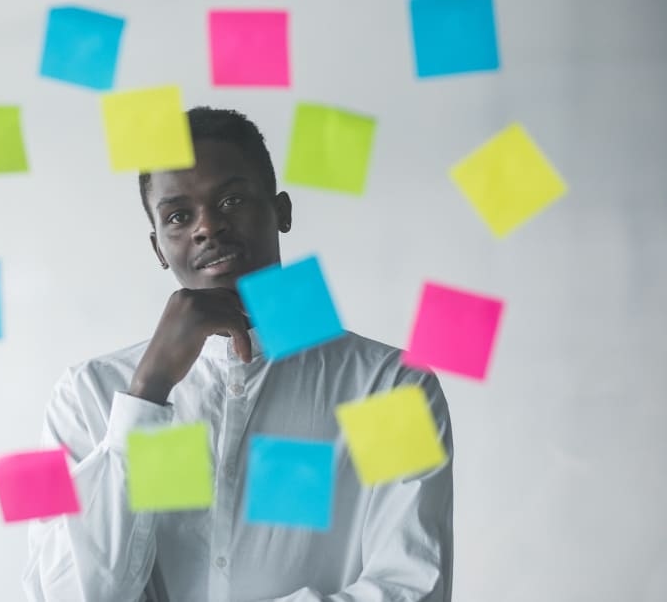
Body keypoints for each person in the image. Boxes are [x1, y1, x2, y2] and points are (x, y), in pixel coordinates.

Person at [23, 107, 453, 601]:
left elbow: (413, 587)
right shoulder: (85, 396)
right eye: (178, 216)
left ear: (282, 211)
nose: (208, 227)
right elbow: (71, 595)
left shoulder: (390, 388)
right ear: (159, 247)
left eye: (230, 199)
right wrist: (147, 393)